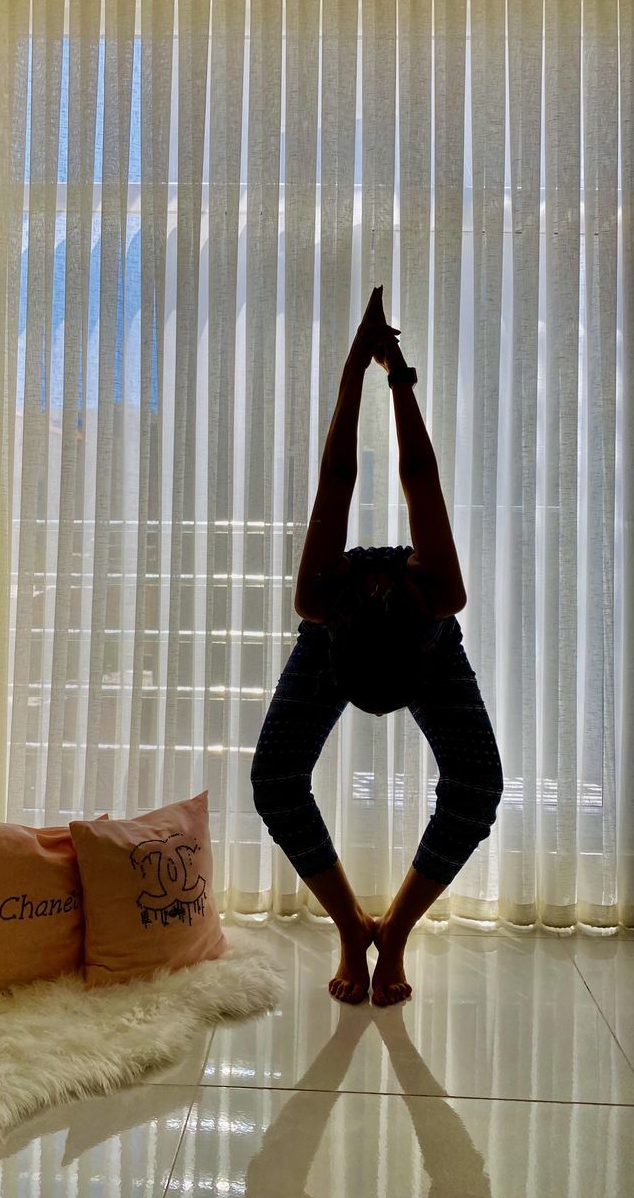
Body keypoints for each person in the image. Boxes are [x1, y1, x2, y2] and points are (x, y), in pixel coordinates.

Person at [251, 286, 504, 1006]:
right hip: (354, 632)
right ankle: (351, 925)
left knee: (477, 786)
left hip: (415, 636)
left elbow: (409, 476)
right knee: (276, 780)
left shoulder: (435, 601)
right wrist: (371, 373)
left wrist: (375, 374)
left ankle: (391, 931)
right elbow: (354, 476)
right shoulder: (323, 604)